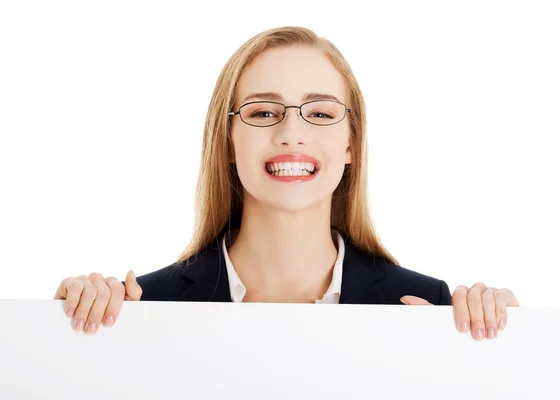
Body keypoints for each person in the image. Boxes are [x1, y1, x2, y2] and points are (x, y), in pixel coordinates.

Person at [54, 26, 519, 340]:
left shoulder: (426, 310)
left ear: (351, 144)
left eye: (319, 113)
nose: (291, 132)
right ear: (227, 140)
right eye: (262, 112)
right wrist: (66, 331)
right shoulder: (142, 308)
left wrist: (506, 349)